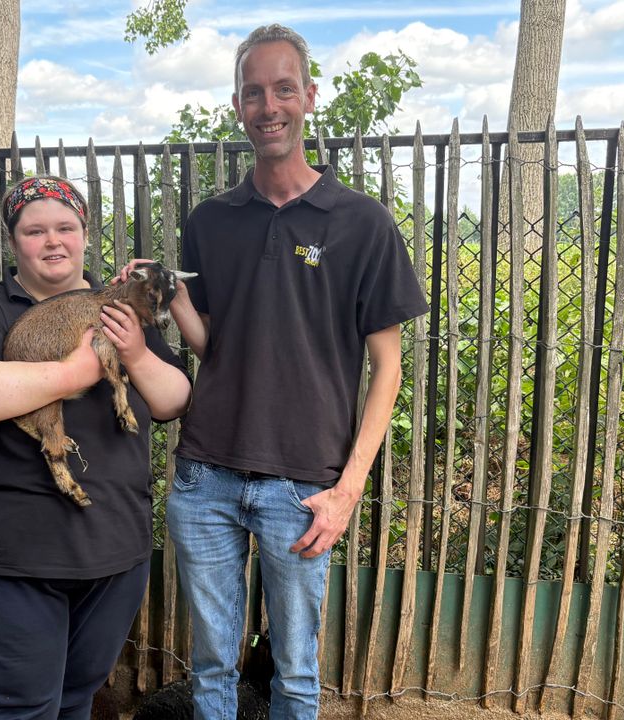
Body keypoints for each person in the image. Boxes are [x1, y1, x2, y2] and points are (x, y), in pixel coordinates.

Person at [119, 23, 428, 720]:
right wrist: (166, 292)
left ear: (309, 97)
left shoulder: (362, 224)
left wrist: (347, 492)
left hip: (303, 487)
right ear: (238, 108)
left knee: (294, 677)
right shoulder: (212, 221)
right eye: (254, 92)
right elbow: (213, 345)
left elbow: (387, 371)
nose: (269, 105)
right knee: (210, 671)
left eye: (283, 88)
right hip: (205, 476)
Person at [0, 175, 192, 720]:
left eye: (65, 227)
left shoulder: (122, 307)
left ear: (85, 235)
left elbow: (172, 401)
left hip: (114, 551)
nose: (53, 241)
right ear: (12, 242)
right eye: (35, 230)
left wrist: (138, 354)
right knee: (18, 709)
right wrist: (74, 370)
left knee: (75, 700)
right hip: (15, 557)